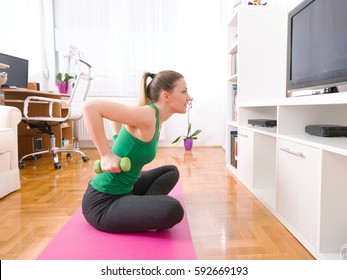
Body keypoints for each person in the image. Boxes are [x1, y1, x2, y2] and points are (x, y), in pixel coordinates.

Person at [81, 70, 192, 233]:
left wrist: (116, 138)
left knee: (171, 172)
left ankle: (139, 209)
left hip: (126, 189)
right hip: (103, 204)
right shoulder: (147, 115)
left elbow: (127, 137)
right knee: (173, 209)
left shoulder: (155, 117)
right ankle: (141, 210)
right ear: (166, 96)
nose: (189, 97)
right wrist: (106, 154)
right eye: (184, 91)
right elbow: (89, 107)